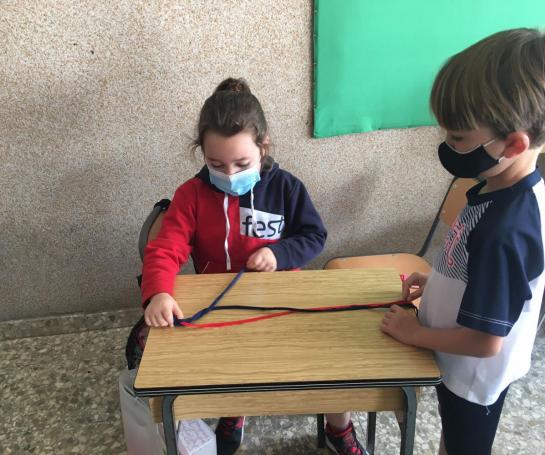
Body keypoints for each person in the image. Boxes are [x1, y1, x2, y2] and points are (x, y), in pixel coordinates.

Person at [141, 78, 366, 455]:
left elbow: (314, 235)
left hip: (283, 299)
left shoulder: (286, 188)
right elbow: (166, 248)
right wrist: (159, 292)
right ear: (202, 154)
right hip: (220, 303)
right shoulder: (191, 195)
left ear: (264, 147)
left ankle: (338, 427)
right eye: (216, 164)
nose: (229, 174)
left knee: (328, 359)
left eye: (242, 163)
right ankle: (234, 408)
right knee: (227, 365)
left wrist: (280, 254)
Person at [381, 28, 545, 455]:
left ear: (514, 144)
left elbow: (485, 342)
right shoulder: (502, 184)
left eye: (457, 138)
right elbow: (476, 270)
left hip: (472, 377)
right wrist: (437, 282)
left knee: (463, 444)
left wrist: (414, 333)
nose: (447, 146)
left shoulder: (504, 231)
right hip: (456, 356)